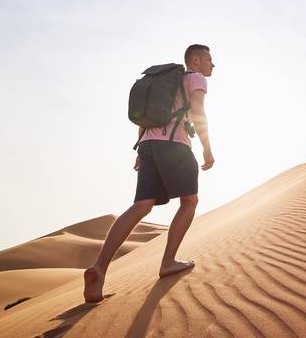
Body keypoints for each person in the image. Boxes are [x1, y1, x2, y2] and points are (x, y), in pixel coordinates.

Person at [83, 44, 215, 303]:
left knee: (141, 206)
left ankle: (99, 268)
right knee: (189, 201)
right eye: (210, 59)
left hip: (148, 145)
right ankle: (167, 262)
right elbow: (199, 112)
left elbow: (146, 118)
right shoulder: (194, 78)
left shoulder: (167, 82)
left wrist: (142, 150)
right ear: (196, 61)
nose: (214, 65)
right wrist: (207, 149)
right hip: (174, 145)